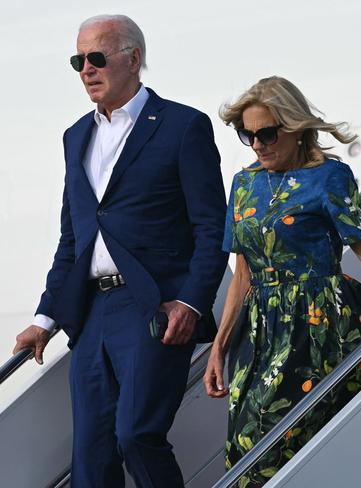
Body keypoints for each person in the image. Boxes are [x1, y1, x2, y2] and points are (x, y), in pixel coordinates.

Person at [12, 14, 228, 488]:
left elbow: (213, 227)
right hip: (91, 314)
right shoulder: (75, 137)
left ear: (133, 58)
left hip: (154, 307)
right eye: (78, 61)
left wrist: (192, 301)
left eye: (96, 58)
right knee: (91, 457)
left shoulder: (182, 126)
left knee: (136, 434)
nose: (86, 70)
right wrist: (45, 319)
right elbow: (74, 239)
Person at [203, 76, 361, 486]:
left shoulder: (330, 176)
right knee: (245, 443)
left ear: (295, 129)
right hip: (258, 332)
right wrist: (218, 348)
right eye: (247, 135)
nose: (257, 145)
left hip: (317, 324)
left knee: (275, 437)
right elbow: (242, 274)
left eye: (267, 134)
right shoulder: (244, 186)